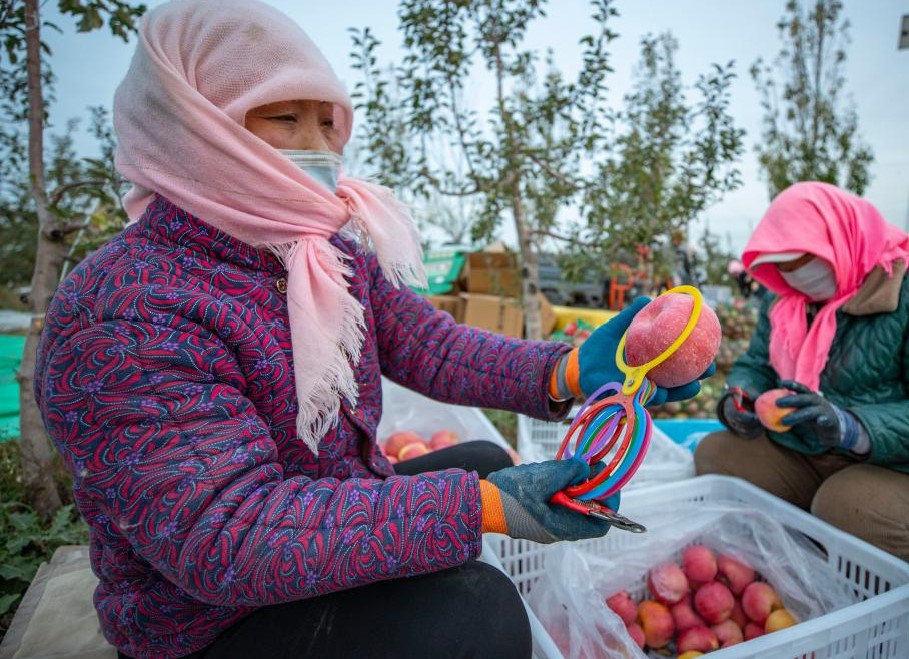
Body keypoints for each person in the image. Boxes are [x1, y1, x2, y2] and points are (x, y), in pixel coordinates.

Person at [32, 2, 711, 658]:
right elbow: (228, 535)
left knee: (485, 464)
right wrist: (478, 509)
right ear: (196, 127)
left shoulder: (320, 254)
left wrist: (562, 372)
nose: (320, 148)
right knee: (477, 612)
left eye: (327, 122)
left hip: (315, 520)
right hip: (211, 618)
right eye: (285, 119)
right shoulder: (126, 308)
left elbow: (428, 344)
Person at [695, 181, 909, 562]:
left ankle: (833, 533)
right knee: (716, 454)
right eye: (784, 267)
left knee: (846, 505)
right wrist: (739, 397)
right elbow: (756, 363)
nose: (795, 277)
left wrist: (853, 427)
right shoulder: (785, 301)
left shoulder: (901, 294)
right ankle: (802, 552)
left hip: (888, 462)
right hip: (805, 447)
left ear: (840, 239)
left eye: (804, 261)